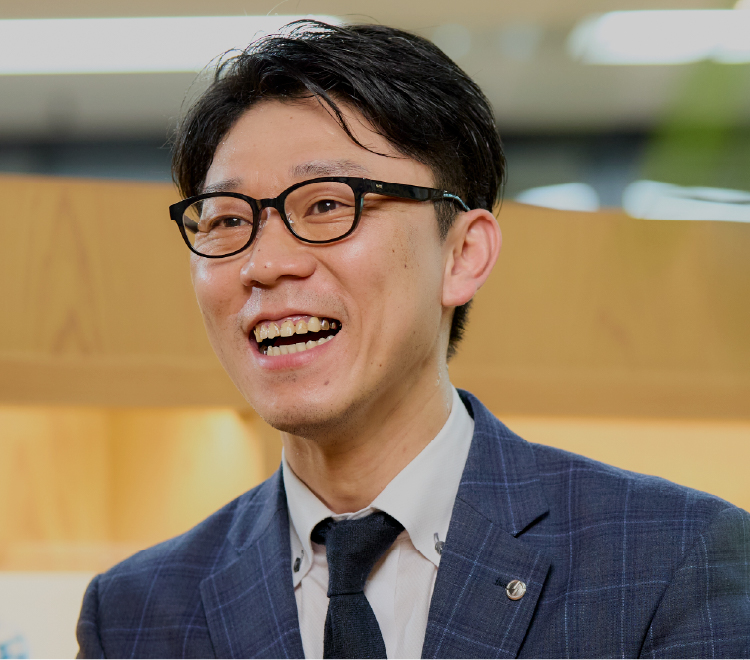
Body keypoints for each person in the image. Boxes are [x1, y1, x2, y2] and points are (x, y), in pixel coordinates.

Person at [76, 21, 750, 659]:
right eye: (226, 220)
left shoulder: (674, 561)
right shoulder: (133, 615)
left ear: (462, 255)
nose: (265, 263)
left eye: (327, 204)